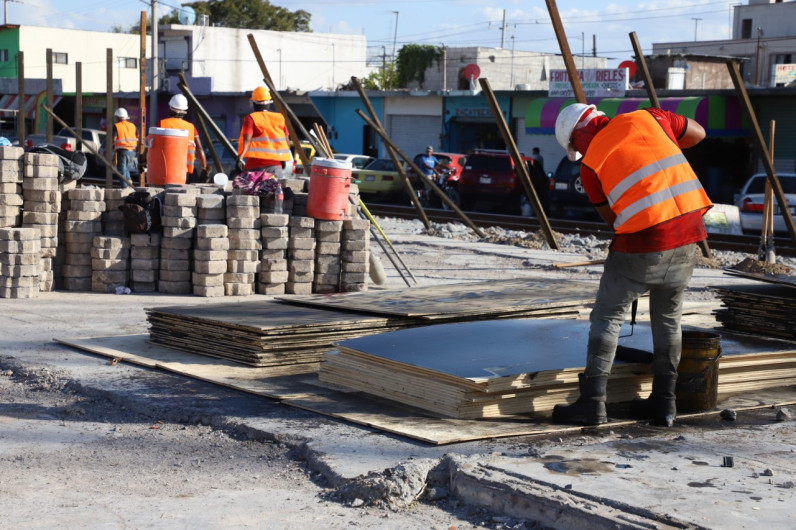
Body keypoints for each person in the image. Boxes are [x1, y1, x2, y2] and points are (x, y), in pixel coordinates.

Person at [550, 103, 713, 427]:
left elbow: (612, 217)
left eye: (576, 146)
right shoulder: (651, 117)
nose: (580, 152)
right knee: (668, 318)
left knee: (608, 315)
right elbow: (698, 133)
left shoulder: (590, 164)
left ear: (580, 133)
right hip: (688, 236)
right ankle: (664, 403)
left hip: (642, 243)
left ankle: (593, 403)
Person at [237, 86, 291, 176]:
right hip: (276, 167)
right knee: (274, 189)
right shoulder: (279, 118)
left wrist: (240, 158)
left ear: (253, 103)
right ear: (269, 103)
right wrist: (282, 158)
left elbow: (247, 139)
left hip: (255, 167)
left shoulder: (251, 118)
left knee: (254, 189)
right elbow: (286, 142)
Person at [159, 94, 207, 183]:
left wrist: (142, 160)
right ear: (184, 111)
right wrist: (204, 168)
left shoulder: (161, 124)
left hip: (165, 170)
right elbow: (199, 148)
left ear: (170, 108)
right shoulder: (191, 127)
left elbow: (151, 145)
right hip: (184, 171)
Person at [113, 107, 137, 188]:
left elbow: (114, 139)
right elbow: (138, 135)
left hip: (122, 150)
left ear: (118, 117)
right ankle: (129, 183)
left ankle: (124, 187)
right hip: (132, 151)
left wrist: (113, 149)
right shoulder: (132, 125)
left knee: (121, 170)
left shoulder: (117, 126)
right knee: (126, 169)